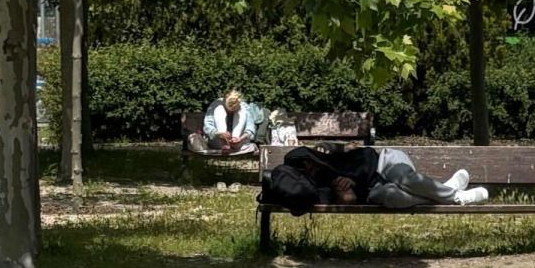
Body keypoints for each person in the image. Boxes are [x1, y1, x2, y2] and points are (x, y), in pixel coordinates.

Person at [280, 145, 489, 209]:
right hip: (376, 190)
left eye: (306, 160)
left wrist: (355, 178)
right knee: (391, 196)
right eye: (302, 167)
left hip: (385, 163)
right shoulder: (320, 186)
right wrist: (341, 190)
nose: (308, 166)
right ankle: (448, 190)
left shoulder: (334, 157)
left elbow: (368, 155)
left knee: (407, 180)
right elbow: (350, 201)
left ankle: (455, 196)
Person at [190, 90, 257, 154]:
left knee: (242, 110)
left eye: (234, 109)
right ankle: (224, 143)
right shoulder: (216, 104)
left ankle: (235, 138)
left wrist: (240, 138)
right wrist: (219, 134)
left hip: (239, 142)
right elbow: (207, 127)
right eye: (229, 109)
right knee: (219, 109)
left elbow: (250, 129)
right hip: (218, 142)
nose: (231, 112)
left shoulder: (244, 106)